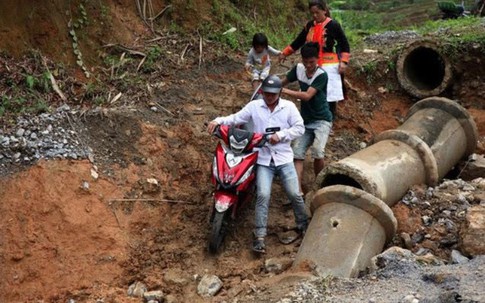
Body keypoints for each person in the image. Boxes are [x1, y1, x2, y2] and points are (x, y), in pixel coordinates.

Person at [207, 75, 308, 254]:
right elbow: (236, 118)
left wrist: (281, 135)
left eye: (273, 94)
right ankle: (259, 236)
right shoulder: (255, 106)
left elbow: (300, 127)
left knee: (294, 193)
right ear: (261, 92)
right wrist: (218, 121)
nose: (269, 97)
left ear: (279, 93)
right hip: (262, 159)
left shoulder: (289, 107)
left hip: (284, 157)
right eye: (266, 93)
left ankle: (303, 224)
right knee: (263, 194)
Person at [279, 0, 350, 119]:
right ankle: (311, 118)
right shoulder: (309, 26)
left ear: (324, 10)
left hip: (329, 65)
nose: (314, 16)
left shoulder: (333, 25)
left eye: (317, 13)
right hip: (312, 64)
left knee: (329, 94)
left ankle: (329, 120)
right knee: (311, 91)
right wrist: (285, 53)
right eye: (312, 13)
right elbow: (299, 41)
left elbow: (344, 44)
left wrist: (343, 62)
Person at [281, 42, 332, 195]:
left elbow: (307, 96)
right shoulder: (298, 69)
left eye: (312, 62)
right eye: (306, 62)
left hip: (322, 120)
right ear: (302, 59)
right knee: (296, 153)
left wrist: (282, 90)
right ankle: (297, 191)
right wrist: (272, 85)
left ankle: (320, 185)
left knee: (318, 151)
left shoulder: (322, 75)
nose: (308, 65)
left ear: (318, 59)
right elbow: (282, 81)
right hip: (305, 121)